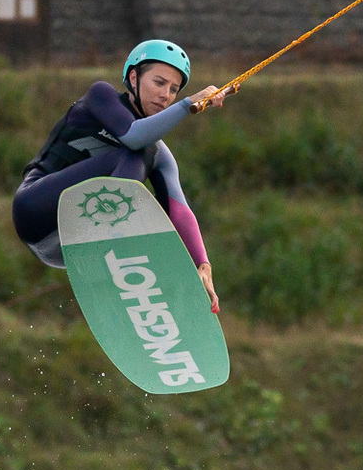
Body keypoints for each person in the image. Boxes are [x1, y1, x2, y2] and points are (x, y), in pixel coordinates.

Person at [12, 40, 228, 312]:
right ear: (134, 78)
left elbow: (179, 209)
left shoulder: (158, 154)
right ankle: (117, 248)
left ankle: (129, 263)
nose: (166, 95)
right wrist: (187, 104)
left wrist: (202, 264)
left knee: (150, 161)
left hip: (64, 246)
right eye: (159, 83)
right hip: (35, 210)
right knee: (137, 152)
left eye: (174, 89)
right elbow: (134, 136)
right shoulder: (101, 96)